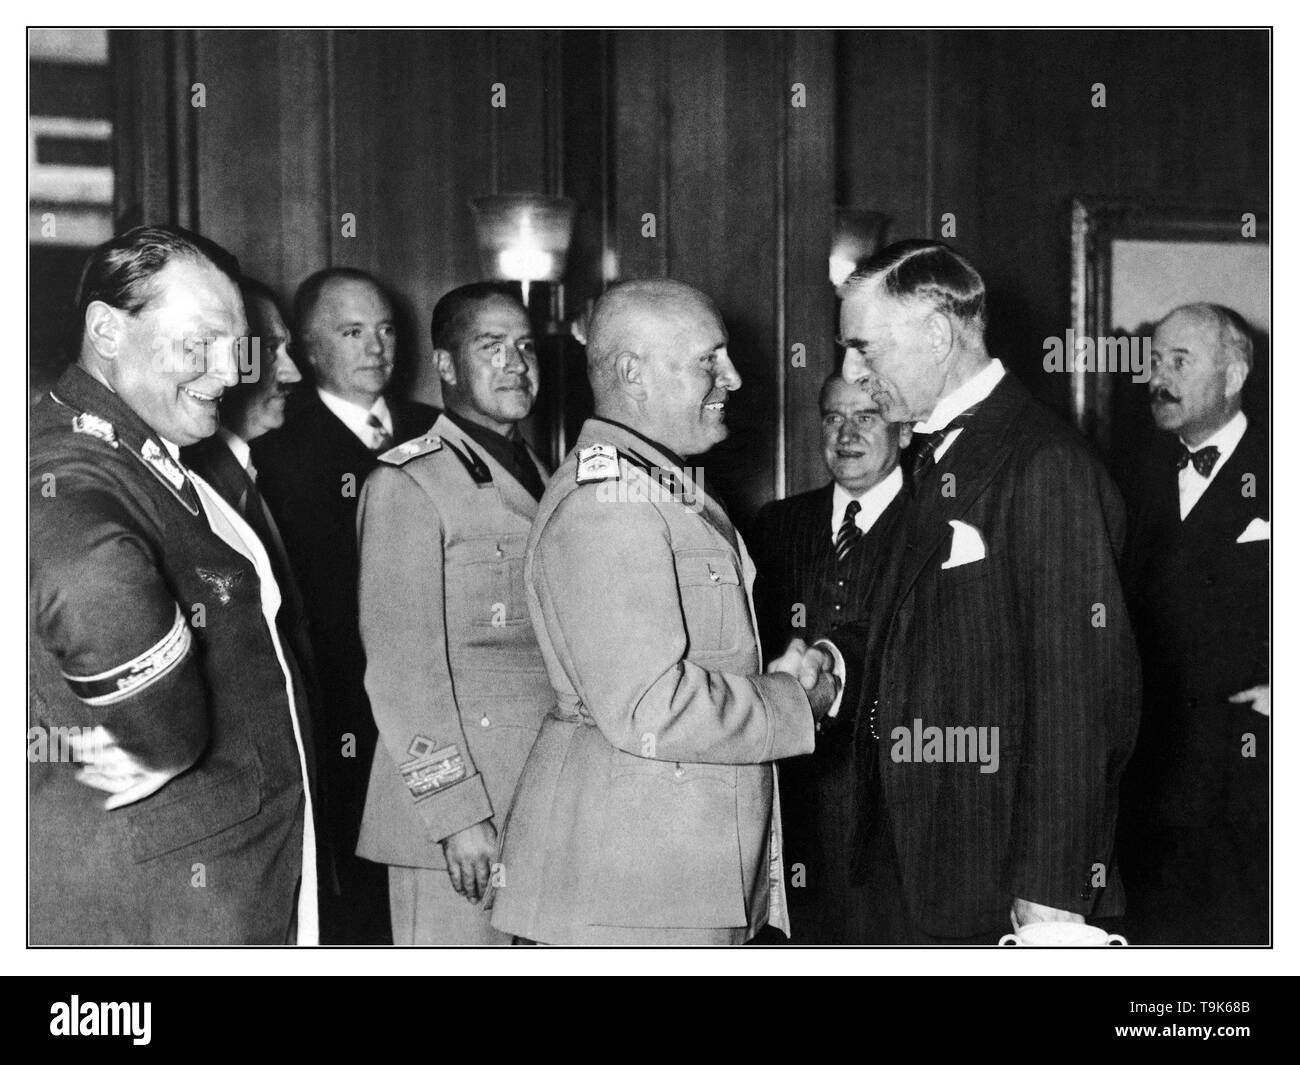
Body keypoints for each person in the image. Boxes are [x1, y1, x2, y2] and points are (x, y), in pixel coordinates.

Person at [489, 279, 838, 945]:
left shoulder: (650, 482)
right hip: (631, 886)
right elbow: (650, 705)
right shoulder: (607, 500)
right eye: (710, 359)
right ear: (631, 372)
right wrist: (794, 700)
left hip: (665, 867)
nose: (732, 378)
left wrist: (766, 673)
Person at [811, 239, 1141, 943]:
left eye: (865, 348)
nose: (851, 372)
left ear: (938, 333)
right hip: (918, 868)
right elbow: (917, 630)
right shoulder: (931, 453)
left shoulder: (1045, 462)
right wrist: (834, 669)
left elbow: (1081, 693)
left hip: (1003, 885)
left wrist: (1053, 893)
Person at [29, 225, 318, 944]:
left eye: (236, 346)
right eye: (200, 344)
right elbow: (82, 569)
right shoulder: (69, 457)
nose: (228, 371)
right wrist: (164, 738)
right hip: (167, 910)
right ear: (107, 329)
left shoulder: (143, 446)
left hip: (224, 877)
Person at [355, 283, 553, 944]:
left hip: (543, 799)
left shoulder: (550, 475)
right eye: (490, 347)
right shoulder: (409, 482)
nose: (516, 364)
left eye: (525, 347)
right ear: (445, 366)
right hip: (461, 822)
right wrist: (455, 811)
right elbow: (401, 669)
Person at [251, 266, 437, 943]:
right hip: (337, 717)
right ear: (306, 346)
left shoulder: (437, 431)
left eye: (386, 330)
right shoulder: (273, 453)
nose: (376, 348)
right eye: (352, 331)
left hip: (432, 709)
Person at [1119, 302, 1268, 944]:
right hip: (1151, 766)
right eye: (1155, 360)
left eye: (1180, 361)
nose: (1160, 376)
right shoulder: (1126, 471)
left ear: (1233, 375)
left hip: (1250, 766)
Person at [751, 373, 909, 943]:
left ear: (904, 428)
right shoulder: (776, 525)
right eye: (833, 418)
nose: (846, 433)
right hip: (795, 803)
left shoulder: (933, 525)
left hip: (896, 806)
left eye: (866, 417)